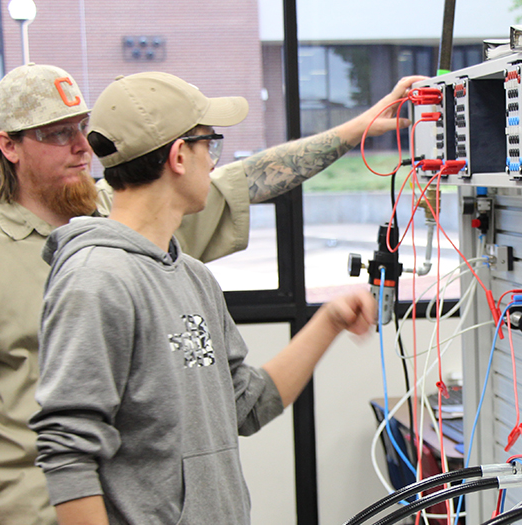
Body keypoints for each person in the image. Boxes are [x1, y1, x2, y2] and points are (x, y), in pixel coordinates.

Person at [0, 62, 424, 525]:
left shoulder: (162, 250)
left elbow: (243, 402)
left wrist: (358, 129)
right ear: (9, 146)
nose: (81, 147)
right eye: (58, 133)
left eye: (83, 128)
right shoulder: (39, 266)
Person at [29, 71, 377, 525]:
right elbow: (67, 452)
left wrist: (328, 321)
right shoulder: (95, 279)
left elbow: (246, 405)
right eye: (208, 144)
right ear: (178, 156)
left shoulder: (191, 276)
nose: (212, 163)